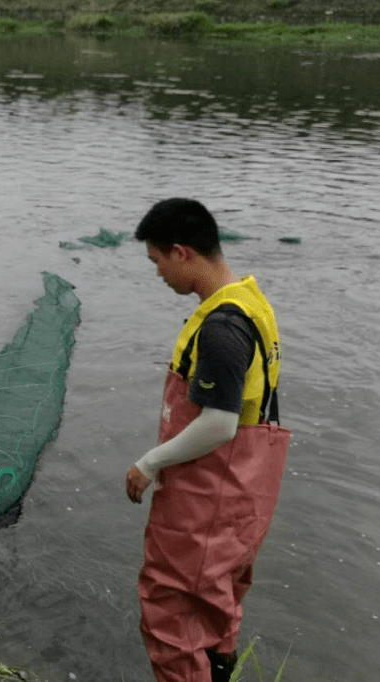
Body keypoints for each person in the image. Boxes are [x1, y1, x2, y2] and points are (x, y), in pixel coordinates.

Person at [125, 199, 290, 682]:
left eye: (156, 262)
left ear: (180, 253)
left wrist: (149, 462)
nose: (157, 274)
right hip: (247, 490)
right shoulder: (248, 302)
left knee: (171, 610)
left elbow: (218, 424)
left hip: (210, 494)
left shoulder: (220, 329)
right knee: (218, 601)